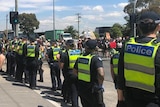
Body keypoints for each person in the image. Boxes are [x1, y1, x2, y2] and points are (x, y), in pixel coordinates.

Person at [117, 11, 160, 107]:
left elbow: (120, 76)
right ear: (158, 27)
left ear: (139, 27)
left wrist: (120, 101)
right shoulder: (157, 47)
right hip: (154, 101)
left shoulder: (128, 45)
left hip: (130, 100)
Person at [73, 39, 105, 107]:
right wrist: (100, 85)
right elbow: (101, 74)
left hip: (82, 87)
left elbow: (75, 72)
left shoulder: (80, 58)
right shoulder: (95, 59)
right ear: (95, 48)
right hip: (93, 88)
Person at [60, 39, 81, 107]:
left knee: (72, 89)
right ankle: (70, 100)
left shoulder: (65, 53)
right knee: (76, 89)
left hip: (69, 73)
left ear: (67, 45)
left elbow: (61, 66)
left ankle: (73, 103)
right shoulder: (79, 52)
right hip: (79, 73)